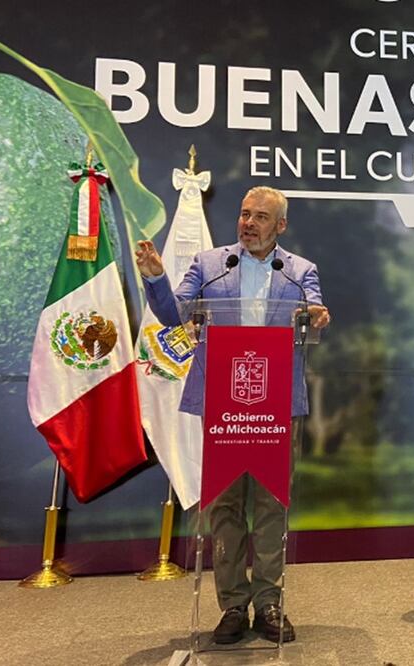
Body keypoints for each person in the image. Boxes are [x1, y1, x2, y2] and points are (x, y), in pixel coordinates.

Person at [135, 186, 330, 644]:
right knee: (224, 505)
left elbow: (314, 309)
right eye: (244, 214)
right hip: (223, 403)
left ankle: (268, 603)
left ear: (280, 226)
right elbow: (172, 315)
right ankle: (232, 606)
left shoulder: (299, 271)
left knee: (270, 505)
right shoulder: (209, 263)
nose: (249, 223)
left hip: (275, 406)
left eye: (261, 217)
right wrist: (156, 279)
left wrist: (317, 316)